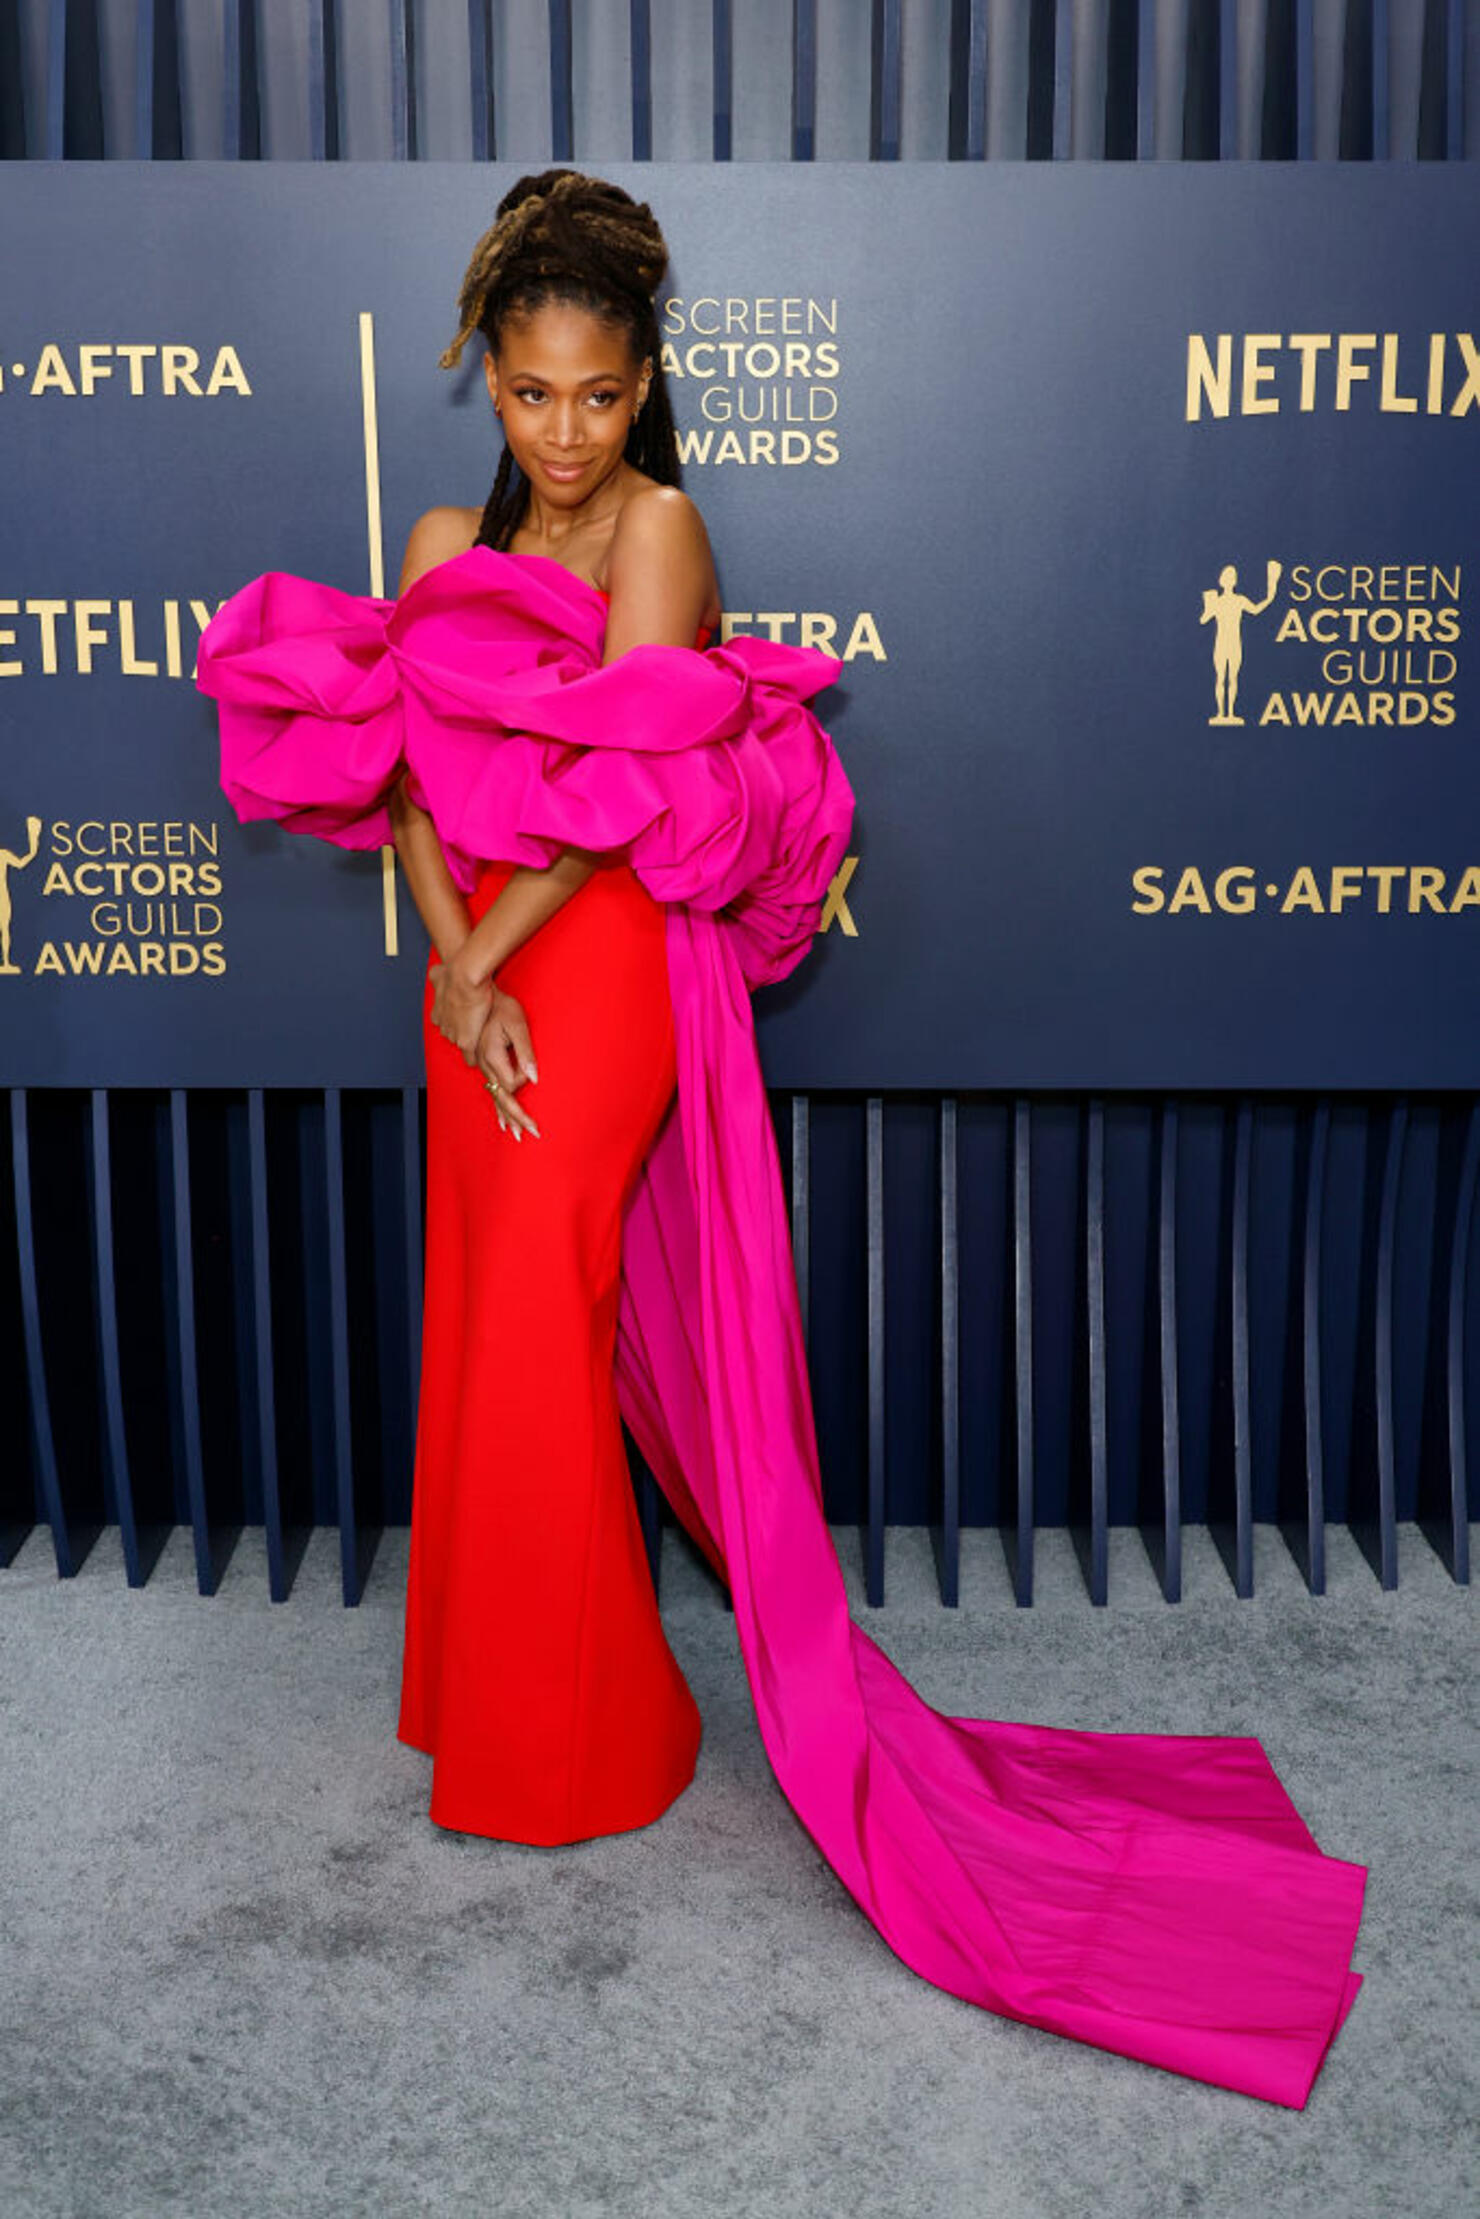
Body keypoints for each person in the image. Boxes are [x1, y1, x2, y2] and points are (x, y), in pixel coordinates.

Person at [197, 169, 1368, 2109]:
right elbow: (401, 768)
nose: (560, 433)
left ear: (642, 382)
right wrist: (442, 969)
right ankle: (503, 1716)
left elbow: (609, 797)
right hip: (475, 977)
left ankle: (585, 1745)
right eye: (528, 392)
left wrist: (483, 962)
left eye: (594, 393)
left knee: (553, 1312)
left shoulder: (661, 534)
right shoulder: (428, 536)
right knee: (494, 1310)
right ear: (482, 376)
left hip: (589, 968)